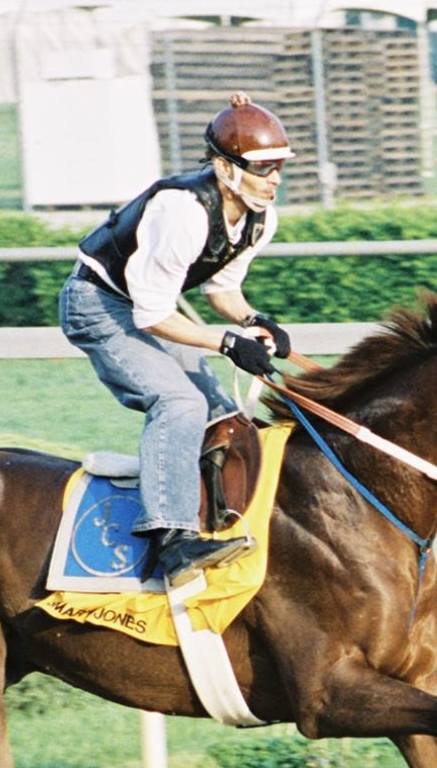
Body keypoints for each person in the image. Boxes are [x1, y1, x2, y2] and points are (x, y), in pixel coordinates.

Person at [59, 92, 295, 587]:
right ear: (224, 168)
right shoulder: (181, 212)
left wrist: (256, 319)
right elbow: (152, 318)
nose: (274, 179)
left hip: (147, 309)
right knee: (180, 402)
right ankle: (172, 537)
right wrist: (229, 344)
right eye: (263, 167)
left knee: (223, 411)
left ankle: (218, 518)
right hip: (98, 305)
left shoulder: (260, 217)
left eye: (279, 166)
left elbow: (223, 289)